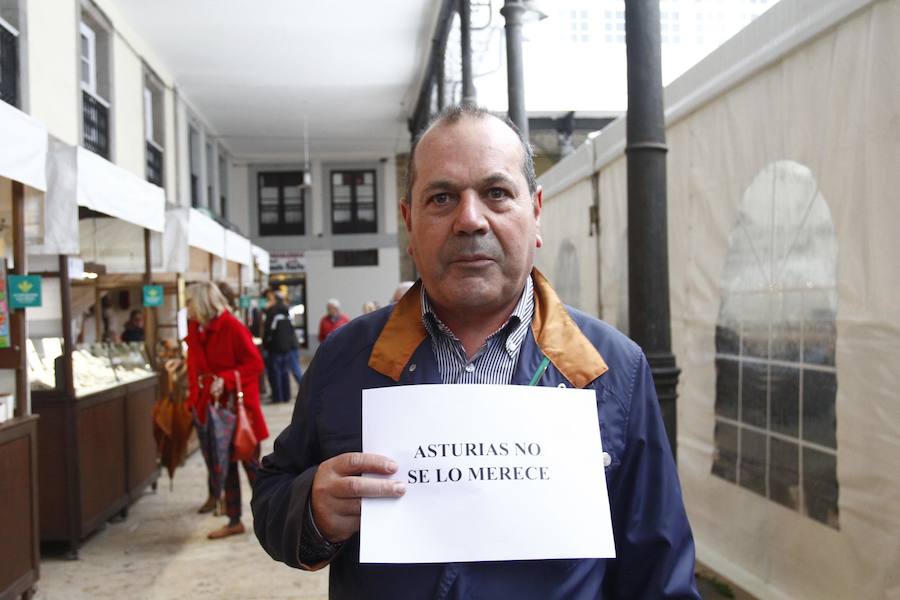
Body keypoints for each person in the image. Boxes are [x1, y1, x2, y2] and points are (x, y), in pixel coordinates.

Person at [252, 105, 699, 598]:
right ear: (409, 222)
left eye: (496, 193)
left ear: (536, 211)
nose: (469, 220)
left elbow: (660, 574)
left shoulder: (613, 369)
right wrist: (311, 510)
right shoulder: (345, 358)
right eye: (442, 198)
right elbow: (272, 493)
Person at [185, 281, 268, 539]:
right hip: (213, 409)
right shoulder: (197, 329)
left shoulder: (231, 326)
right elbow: (194, 367)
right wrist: (194, 401)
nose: (186, 307)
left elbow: (255, 364)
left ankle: (271, 516)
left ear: (202, 303)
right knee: (225, 465)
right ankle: (234, 520)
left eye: (189, 301)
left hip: (239, 411)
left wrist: (227, 378)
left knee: (251, 465)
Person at [262, 291, 298, 403]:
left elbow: (268, 332)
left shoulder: (272, 312)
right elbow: (292, 330)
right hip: (286, 347)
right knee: (285, 372)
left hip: (275, 348)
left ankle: (278, 397)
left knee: (275, 373)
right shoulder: (287, 311)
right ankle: (286, 396)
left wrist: (265, 344)